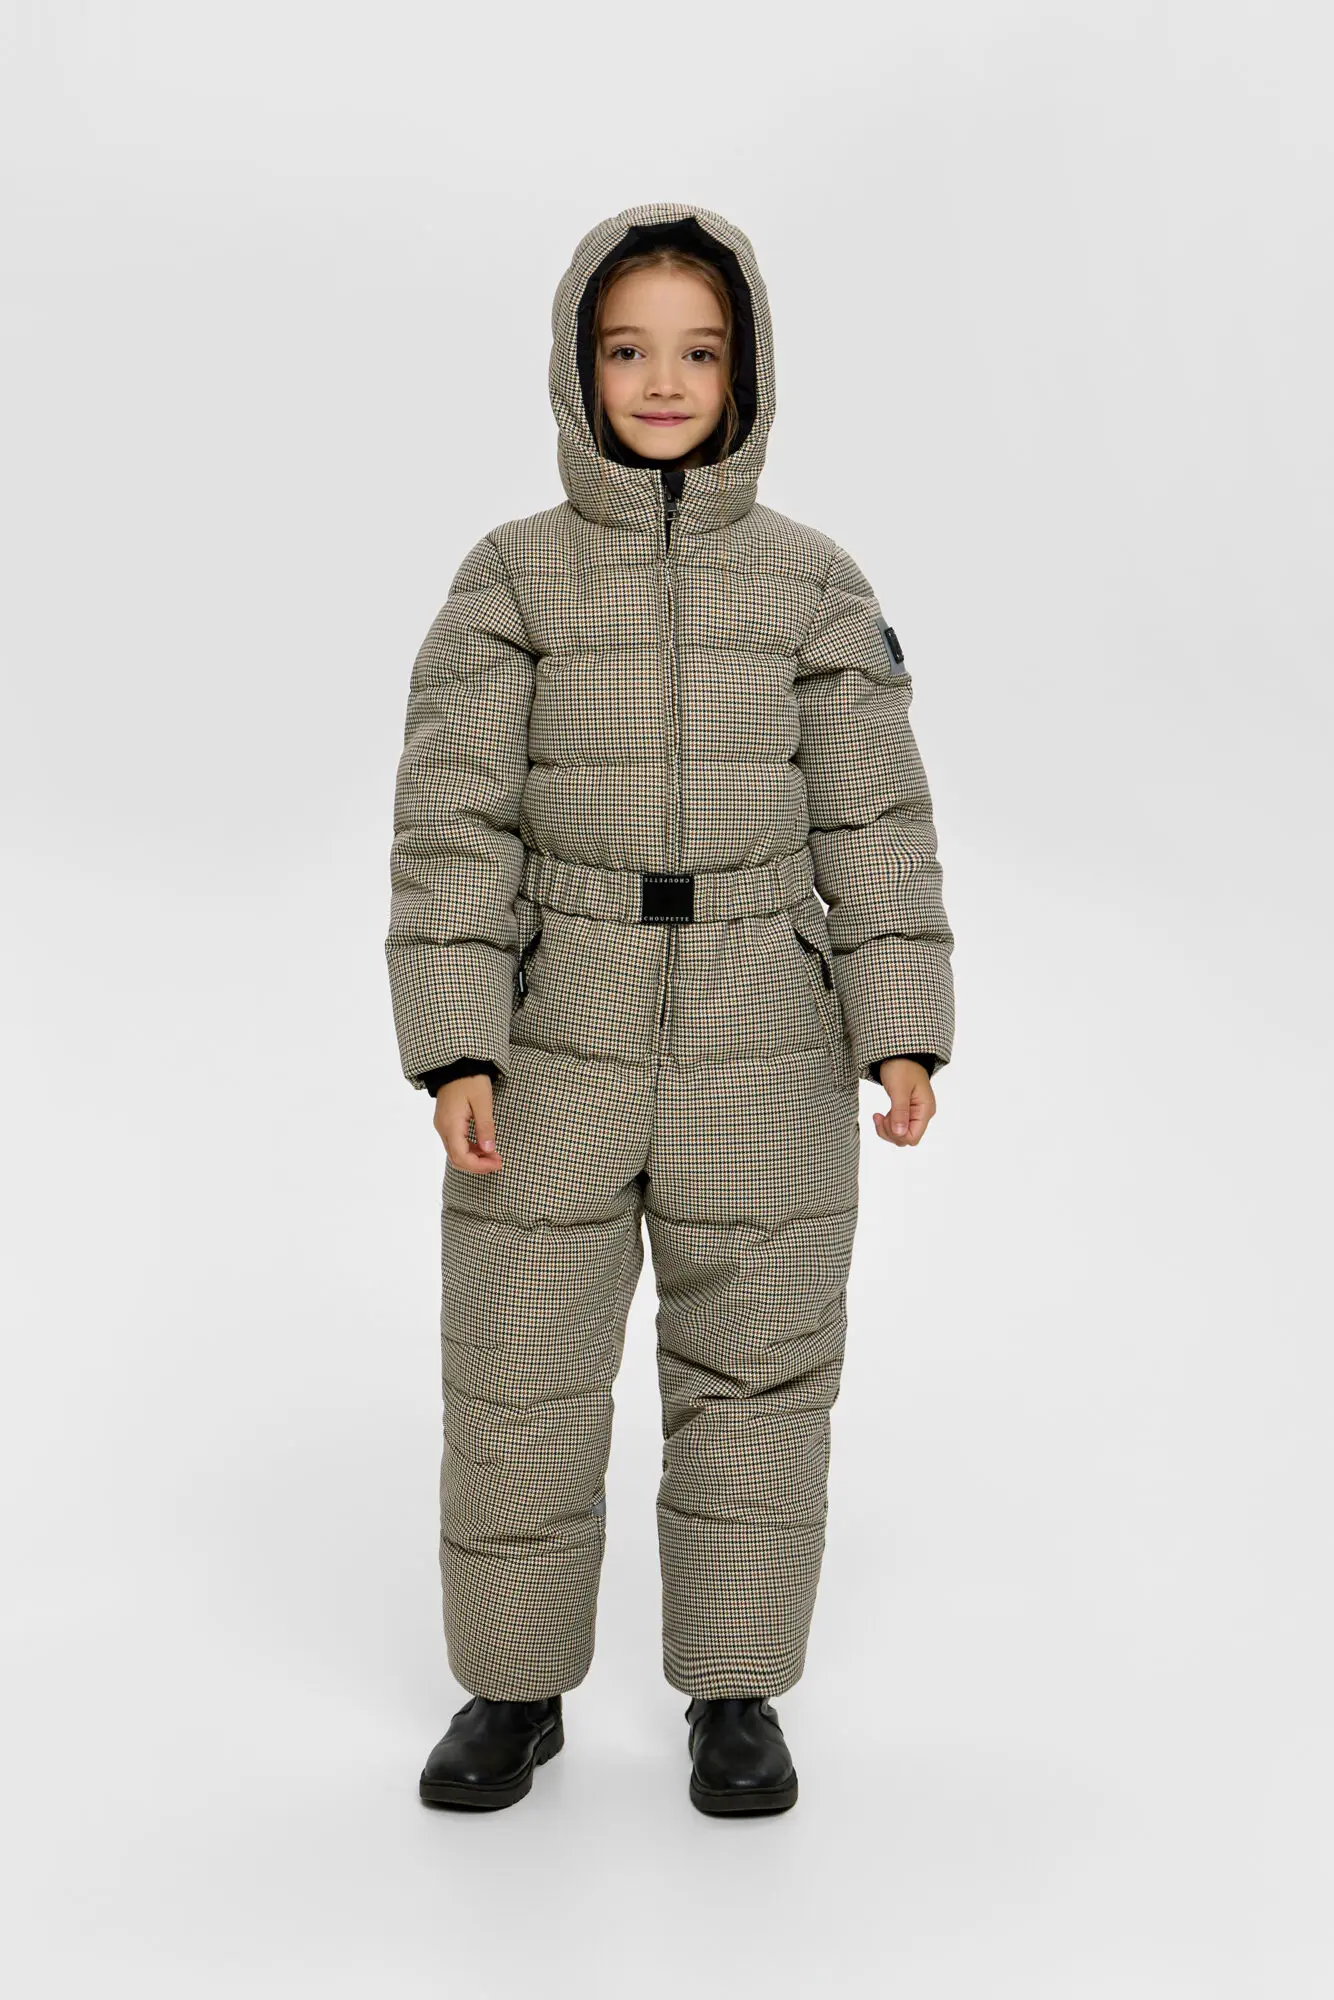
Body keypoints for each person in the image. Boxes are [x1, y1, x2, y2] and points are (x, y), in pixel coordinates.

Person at [384, 200, 955, 1817]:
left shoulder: (809, 584)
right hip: (555, 1019)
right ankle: (513, 1687)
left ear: (744, 372)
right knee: (518, 1365)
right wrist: (457, 1041)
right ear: (576, 368)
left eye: (696, 352)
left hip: (763, 1021)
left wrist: (897, 1021)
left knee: (757, 1370)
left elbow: (874, 818)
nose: (659, 380)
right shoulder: (512, 578)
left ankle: (734, 1686)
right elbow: (452, 826)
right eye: (626, 349)